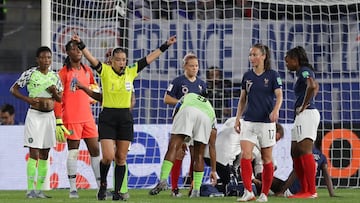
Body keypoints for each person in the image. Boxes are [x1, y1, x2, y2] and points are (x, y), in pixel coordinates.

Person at [71, 33, 176, 200]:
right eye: (118, 59)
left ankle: (119, 191)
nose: (122, 62)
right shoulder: (104, 71)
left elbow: (149, 58)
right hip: (108, 117)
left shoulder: (130, 72)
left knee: (121, 158)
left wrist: (165, 45)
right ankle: (103, 183)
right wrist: (81, 44)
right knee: (108, 156)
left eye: (124, 59)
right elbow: (91, 58)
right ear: (112, 61)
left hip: (125, 119)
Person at [9, 46, 63, 198]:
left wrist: (54, 92)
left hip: (49, 117)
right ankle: (29, 190)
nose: (46, 60)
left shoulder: (55, 76)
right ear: (37, 59)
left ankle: (39, 190)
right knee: (34, 152)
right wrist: (28, 99)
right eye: (43, 58)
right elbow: (13, 90)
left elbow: (60, 99)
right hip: (35, 116)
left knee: (45, 153)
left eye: (49, 58)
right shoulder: (30, 73)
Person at [234, 43, 283, 202]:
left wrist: (275, 110)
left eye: (255, 54)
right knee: (245, 155)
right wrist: (237, 118)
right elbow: (242, 99)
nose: (252, 58)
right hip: (248, 121)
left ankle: (264, 194)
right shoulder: (247, 76)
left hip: (266, 123)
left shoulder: (273, 75)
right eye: (250, 55)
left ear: (263, 56)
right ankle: (248, 191)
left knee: (266, 158)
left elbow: (279, 96)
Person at [53, 40, 102, 199]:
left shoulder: (88, 70)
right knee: (73, 152)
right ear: (68, 53)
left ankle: (101, 187)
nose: (78, 51)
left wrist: (94, 95)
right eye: (73, 49)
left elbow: (94, 89)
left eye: (79, 48)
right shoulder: (63, 73)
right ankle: (73, 188)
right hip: (71, 118)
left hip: (87, 118)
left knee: (95, 150)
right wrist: (58, 119)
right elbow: (57, 99)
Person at [149, 92, 217, 198]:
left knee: (173, 146)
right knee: (199, 155)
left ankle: (163, 180)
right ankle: (196, 191)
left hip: (187, 111)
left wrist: (180, 139)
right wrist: (213, 170)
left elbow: (175, 112)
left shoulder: (189, 95)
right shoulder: (211, 109)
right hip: (206, 118)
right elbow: (212, 145)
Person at [163, 52, 208, 197]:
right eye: (191, 66)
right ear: (185, 66)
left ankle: (193, 188)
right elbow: (167, 99)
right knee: (179, 154)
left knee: (197, 155)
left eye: (196, 66)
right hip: (182, 122)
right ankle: (174, 189)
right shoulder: (177, 81)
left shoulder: (202, 84)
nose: (194, 68)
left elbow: (205, 104)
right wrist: (183, 102)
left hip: (198, 124)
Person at [204, 118, 284, 194]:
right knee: (239, 188)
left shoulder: (238, 122)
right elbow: (249, 159)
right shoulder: (256, 138)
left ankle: (211, 187)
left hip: (209, 154)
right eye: (274, 139)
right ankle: (208, 190)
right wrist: (253, 179)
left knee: (230, 180)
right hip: (225, 160)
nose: (273, 143)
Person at [284, 46, 320, 198]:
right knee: (295, 151)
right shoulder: (301, 72)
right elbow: (315, 86)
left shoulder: (304, 70)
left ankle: (311, 191)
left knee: (305, 151)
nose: (286, 64)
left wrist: (305, 104)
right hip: (300, 116)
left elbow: (312, 86)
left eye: (287, 61)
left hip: (307, 114)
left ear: (295, 60)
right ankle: (303, 189)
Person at [271, 146, 336, 198]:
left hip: (292, 189)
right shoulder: (322, 156)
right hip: (306, 189)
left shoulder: (303, 152)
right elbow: (327, 176)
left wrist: (282, 191)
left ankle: (265, 190)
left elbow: (295, 172)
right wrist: (332, 193)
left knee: (265, 178)